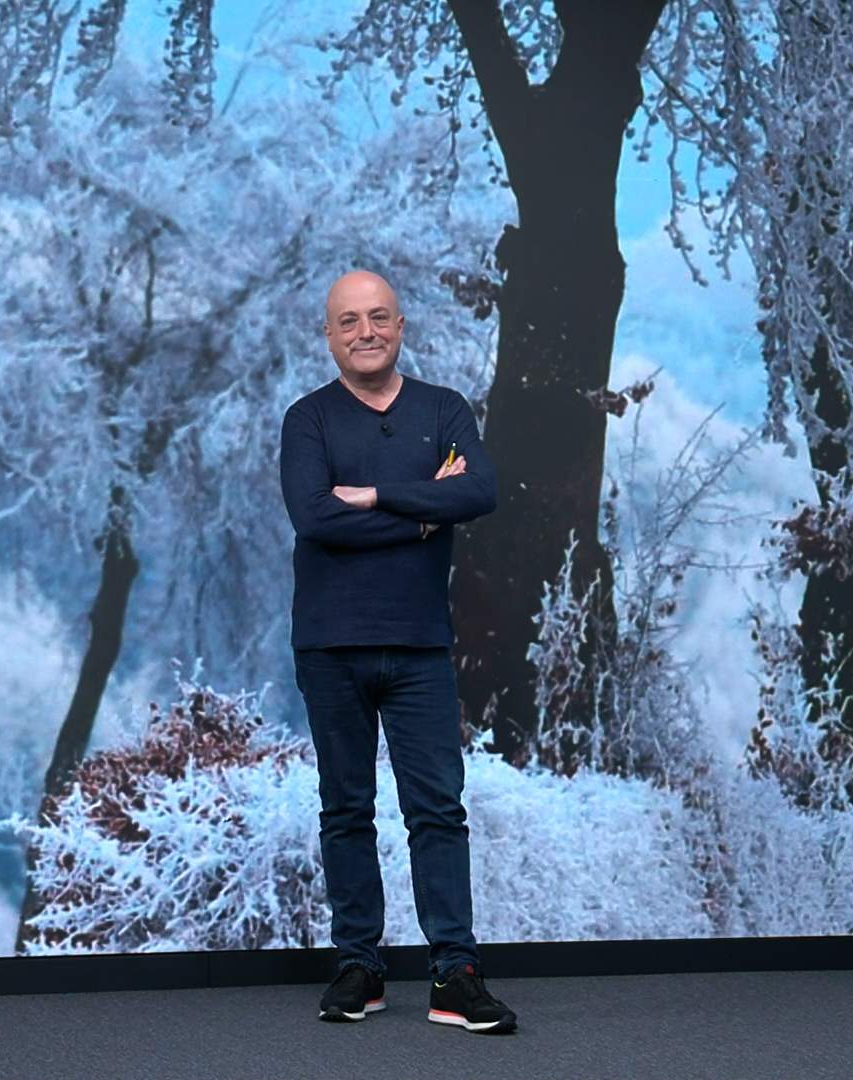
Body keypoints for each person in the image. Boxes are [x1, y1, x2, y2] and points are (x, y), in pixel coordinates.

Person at [279, 269, 517, 1035]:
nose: (366, 331)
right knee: (345, 810)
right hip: (330, 646)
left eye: (379, 316)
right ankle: (361, 966)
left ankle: (456, 972)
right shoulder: (306, 420)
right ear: (329, 336)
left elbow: (478, 493)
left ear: (402, 324)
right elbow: (315, 518)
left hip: (419, 647)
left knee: (437, 811)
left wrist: (376, 495)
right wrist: (423, 509)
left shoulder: (444, 409)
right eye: (348, 321)